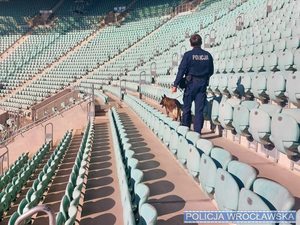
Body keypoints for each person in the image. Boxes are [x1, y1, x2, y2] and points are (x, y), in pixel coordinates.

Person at [171, 34, 214, 134]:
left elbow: (181, 70)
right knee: (199, 111)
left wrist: (175, 85)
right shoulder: (208, 55)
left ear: (190, 43)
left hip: (190, 85)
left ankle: (185, 130)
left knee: (186, 108)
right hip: (202, 85)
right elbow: (211, 71)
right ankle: (197, 134)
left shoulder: (188, 55)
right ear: (201, 42)